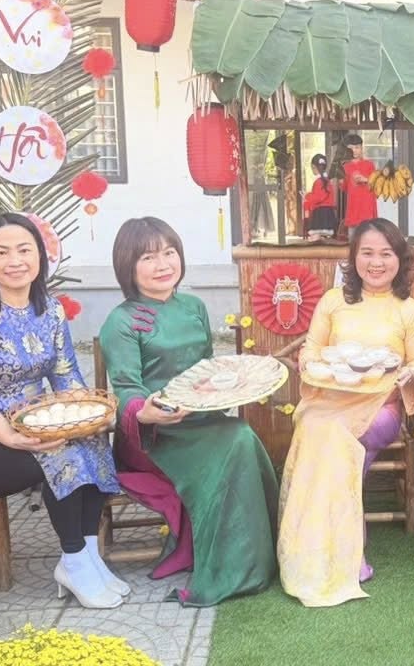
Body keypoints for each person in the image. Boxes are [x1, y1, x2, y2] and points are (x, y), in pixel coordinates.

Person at [0, 213, 124, 609]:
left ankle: (89, 557)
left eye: (24, 250)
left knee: (92, 443)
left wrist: (85, 417)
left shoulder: (49, 309)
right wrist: (11, 436)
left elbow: (65, 372)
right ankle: (73, 561)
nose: (14, 261)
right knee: (60, 453)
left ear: (40, 256)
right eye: (2, 252)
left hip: (34, 426)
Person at [98, 217, 279, 607]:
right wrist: (147, 412)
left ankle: (255, 558)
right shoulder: (121, 321)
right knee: (237, 438)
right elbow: (126, 388)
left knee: (240, 435)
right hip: (153, 435)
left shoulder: (194, 307)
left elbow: (206, 367)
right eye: (148, 257)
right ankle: (232, 569)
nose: (163, 264)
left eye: (169, 252)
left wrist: (223, 383)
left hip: (201, 420)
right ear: (128, 265)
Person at [277, 218, 414, 607]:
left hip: (381, 407)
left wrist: (412, 373)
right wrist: (309, 363)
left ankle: (343, 549)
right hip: (329, 401)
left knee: (335, 439)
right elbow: (312, 349)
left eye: (386, 253)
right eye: (367, 253)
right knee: (317, 426)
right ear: (353, 257)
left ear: (400, 259)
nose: (376, 263)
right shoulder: (333, 301)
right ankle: (321, 547)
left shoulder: (410, 311)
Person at [340, 134, 377, 230]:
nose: (354, 150)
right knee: (353, 237)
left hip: (367, 209)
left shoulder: (369, 165)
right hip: (353, 210)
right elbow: (344, 188)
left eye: (357, 147)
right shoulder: (345, 167)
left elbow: (377, 184)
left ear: (361, 148)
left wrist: (366, 179)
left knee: (368, 235)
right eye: (351, 148)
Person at [303, 153, 338, 236]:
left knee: (317, 235)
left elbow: (318, 197)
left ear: (313, 167)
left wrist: (307, 196)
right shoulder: (327, 181)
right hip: (328, 213)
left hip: (320, 214)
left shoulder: (319, 181)